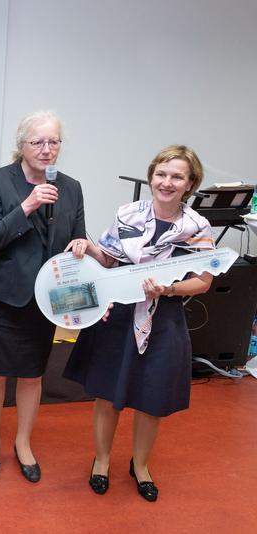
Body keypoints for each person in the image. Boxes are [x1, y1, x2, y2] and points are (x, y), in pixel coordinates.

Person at [63, 145, 213, 502]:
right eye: (161, 174)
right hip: (117, 315)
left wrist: (171, 289)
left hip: (164, 320)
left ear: (190, 184)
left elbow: (204, 281)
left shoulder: (197, 226)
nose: (167, 182)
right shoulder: (127, 213)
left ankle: (141, 465)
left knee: (151, 400)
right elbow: (110, 259)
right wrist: (88, 247)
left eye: (177, 176)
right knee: (105, 395)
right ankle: (101, 461)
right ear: (151, 177)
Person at [0, 110, 85, 483]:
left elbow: (77, 233)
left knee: (32, 374)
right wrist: (27, 205)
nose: (47, 150)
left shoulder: (72, 186)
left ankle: (23, 443)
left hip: (45, 297)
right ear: (21, 146)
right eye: (38, 142)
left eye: (53, 142)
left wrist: (80, 244)